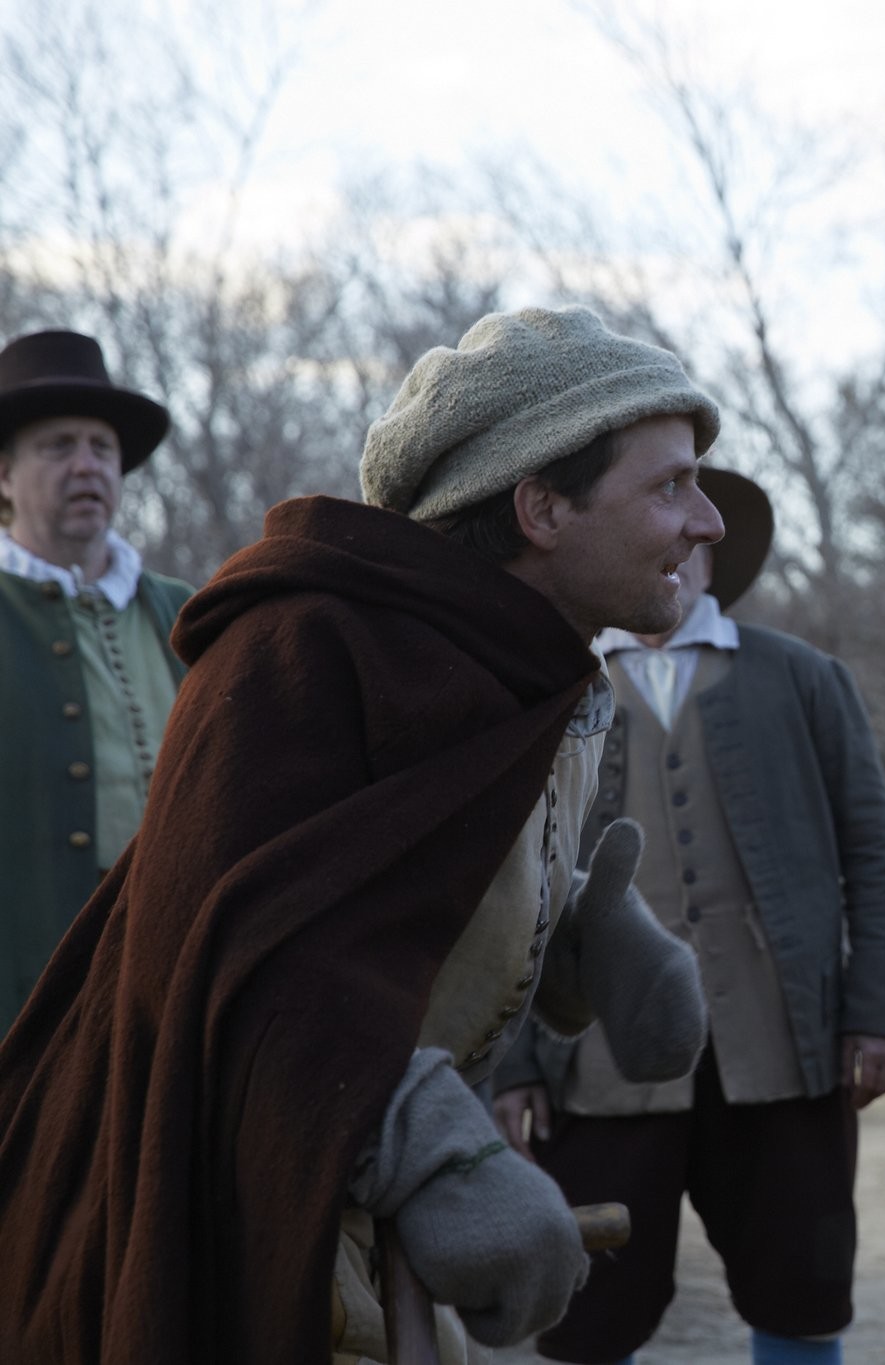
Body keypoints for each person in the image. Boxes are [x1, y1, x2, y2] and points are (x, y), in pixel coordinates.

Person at [0, 305, 722, 1364]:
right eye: (669, 485)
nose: (707, 521)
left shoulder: (523, 674)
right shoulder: (303, 653)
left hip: (370, 1259)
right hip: (228, 1242)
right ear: (539, 508)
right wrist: (434, 1155)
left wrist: (573, 935)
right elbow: (232, 964)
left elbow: (399, 904)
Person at [489, 463, 885, 1365]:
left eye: (696, 537)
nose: (679, 550)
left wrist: (881, 1006)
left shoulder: (806, 679)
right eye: (657, 529)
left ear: (717, 556)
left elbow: (875, 857)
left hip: (782, 1047)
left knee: (802, 1289)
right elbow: (508, 891)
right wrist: (518, 1060)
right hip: (599, 1059)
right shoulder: (545, 693)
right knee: (588, 1310)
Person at [0, 329, 188, 1030]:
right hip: (24, 1006)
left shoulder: (187, 612)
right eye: (58, 446)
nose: (86, 467)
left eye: (101, 448)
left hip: (165, 999)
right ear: (4, 475)